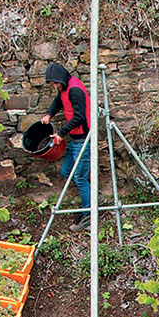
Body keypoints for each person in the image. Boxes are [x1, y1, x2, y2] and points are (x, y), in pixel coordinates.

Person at [42, 63, 93, 231]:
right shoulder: (64, 88)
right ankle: (91, 197)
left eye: (55, 83)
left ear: (61, 78)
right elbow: (58, 101)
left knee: (79, 177)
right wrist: (49, 114)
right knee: (66, 171)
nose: (55, 87)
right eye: (53, 84)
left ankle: (88, 216)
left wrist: (61, 133)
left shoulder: (75, 90)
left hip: (84, 139)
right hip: (75, 139)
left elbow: (79, 117)